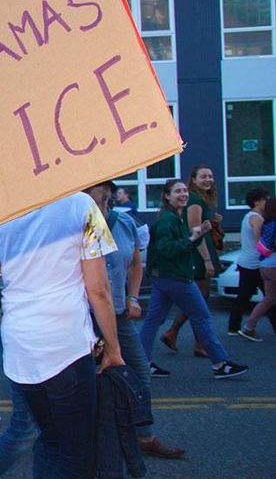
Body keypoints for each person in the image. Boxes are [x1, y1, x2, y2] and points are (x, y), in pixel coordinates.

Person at [0, 193, 125, 479]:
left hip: (19, 346)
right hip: (65, 345)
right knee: (79, 464)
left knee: (53, 445)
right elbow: (98, 289)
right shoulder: (81, 205)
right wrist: (113, 347)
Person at [84, 181, 184, 459]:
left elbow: (136, 263)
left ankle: (144, 436)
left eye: (106, 200)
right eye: (96, 201)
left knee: (139, 373)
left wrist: (133, 297)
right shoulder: (74, 225)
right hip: (82, 318)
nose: (102, 208)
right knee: (86, 383)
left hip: (119, 314)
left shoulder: (124, 223)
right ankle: (88, 441)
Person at [139, 179, 248, 380]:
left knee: (153, 320)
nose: (183, 194)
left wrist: (199, 234)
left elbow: (177, 245)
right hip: (176, 277)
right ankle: (220, 363)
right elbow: (167, 249)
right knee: (202, 317)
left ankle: (141, 363)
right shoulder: (168, 220)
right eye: (178, 191)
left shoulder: (172, 217)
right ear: (167, 196)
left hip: (163, 277)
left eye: (185, 191)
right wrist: (192, 238)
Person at [160, 166, 222, 358]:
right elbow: (195, 230)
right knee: (199, 299)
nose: (208, 179)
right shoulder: (194, 200)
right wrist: (207, 260)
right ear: (193, 180)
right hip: (198, 253)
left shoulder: (201, 199)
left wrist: (213, 221)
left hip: (200, 252)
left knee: (200, 299)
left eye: (210, 176)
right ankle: (187, 338)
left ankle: (179, 335)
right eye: (203, 176)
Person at [229, 188, 275, 338]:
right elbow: (259, 242)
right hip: (255, 263)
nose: (267, 203)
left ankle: (235, 326)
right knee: (269, 298)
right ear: (257, 201)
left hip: (247, 261)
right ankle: (244, 326)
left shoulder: (248, 216)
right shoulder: (257, 218)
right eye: (265, 199)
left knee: (246, 295)